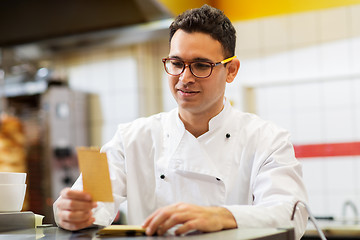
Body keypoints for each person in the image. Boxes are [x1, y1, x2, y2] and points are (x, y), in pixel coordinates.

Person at [53, 4, 308, 239]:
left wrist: (222, 215)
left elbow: (292, 215)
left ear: (231, 70)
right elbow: (89, 206)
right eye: (176, 63)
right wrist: (70, 212)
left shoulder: (267, 139)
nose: (184, 78)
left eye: (200, 65)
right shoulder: (131, 138)